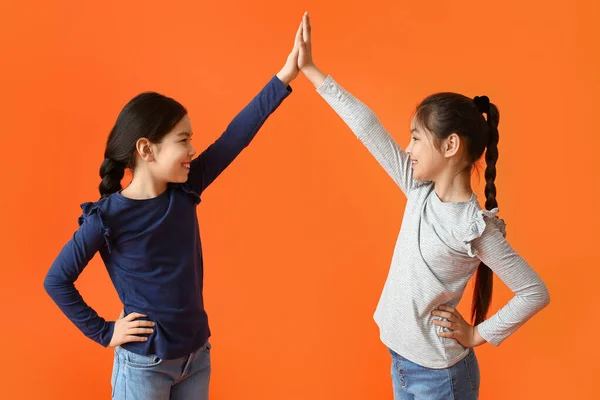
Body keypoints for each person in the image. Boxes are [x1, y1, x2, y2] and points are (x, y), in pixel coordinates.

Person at [43, 21, 304, 400]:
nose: (193, 150)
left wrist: (284, 76)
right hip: (144, 368)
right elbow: (56, 281)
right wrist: (104, 332)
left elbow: (235, 136)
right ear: (147, 150)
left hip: (197, 358)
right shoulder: (107, 218)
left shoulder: (185, 191)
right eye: (184, 140)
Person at [296, 12, 550, 399]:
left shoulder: (472, 226)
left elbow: (534, 291)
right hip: (401, 360)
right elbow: (368, 127)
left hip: (441, 377)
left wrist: (478, 334)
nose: (408, 148)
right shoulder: (419, 189)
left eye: (416, 138)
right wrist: (312, 71)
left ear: (450, 146)